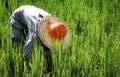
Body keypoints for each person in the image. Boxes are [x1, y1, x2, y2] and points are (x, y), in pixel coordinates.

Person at [10, 5, 72, 73]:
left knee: (45, 45)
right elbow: (27, 52)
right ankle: (17, 68)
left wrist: (50, 67)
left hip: (31, 15)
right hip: (18, 18)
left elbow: (48, 47)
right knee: (18, 47)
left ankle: (49, 68)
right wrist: (27, 69)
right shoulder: (36, 29)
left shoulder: (54, 23)